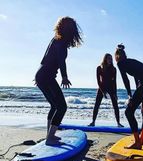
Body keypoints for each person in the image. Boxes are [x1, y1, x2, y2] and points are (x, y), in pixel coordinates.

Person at [35, 16, 83, 145]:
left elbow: (44, 58)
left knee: (54, 106)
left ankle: (49, 135)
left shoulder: (55, 39)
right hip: (46, 75)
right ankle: (50, 137)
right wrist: (64, 77)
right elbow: (61, 61)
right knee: (62, 107)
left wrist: (38, 76)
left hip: (42, 75)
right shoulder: (60, 42)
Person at [115, 44, 143, 149]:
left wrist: (130, 95)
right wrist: (138, 94)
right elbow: (138, 78)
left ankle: (137, 142)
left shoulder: (120, 63)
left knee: (128, 112)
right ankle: (141, 140)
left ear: (116, 56)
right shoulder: (132, 62)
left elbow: (126, 80)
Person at [89, 53, 124, 127]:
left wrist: (115, 93)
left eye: (111, 59)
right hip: (102, 87)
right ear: (105, 59)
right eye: (109, 58)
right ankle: (93, 122)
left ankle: (118, 123)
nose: (110, 60)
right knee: (97, 105)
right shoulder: (99, 68)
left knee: (115, 106)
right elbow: (98, 81)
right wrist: (103, 92)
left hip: (111, 88)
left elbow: (114, 82)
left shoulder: (114, 69)